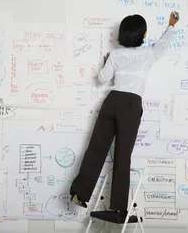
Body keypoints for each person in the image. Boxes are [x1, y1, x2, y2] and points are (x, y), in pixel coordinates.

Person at [70, 12, 180, 218]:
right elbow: (164, 44)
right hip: (130, 105)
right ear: (143, 34)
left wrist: (106, 64)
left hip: (111, 101)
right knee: (122, 155)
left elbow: (102, 79)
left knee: (96, 147)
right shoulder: (148, 55)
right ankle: (119, 208)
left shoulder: (116, 55)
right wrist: (171, 25)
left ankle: (79, 193)